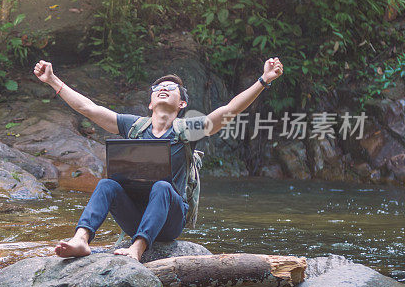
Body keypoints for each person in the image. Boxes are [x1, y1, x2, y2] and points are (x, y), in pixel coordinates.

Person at [33, 57, 284, 261]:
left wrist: (263, 80)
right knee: (106, 184)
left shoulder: (188, 129)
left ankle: (138, 249)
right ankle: (81, 240)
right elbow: (89, 108)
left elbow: (229, 110)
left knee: (162, 186)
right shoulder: (134, 126)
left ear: (182, 103)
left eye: (171, 88)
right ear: (150, 103)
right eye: (157, 89)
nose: (163, 89)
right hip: (135, 216)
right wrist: (53, 80)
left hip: (170, 219)